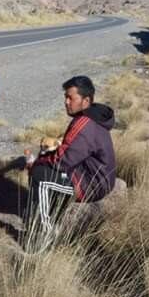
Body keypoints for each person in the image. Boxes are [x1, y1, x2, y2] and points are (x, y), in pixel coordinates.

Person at [26, 76, 116, 251]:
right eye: (65, 98)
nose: (66, 102)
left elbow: (62, 160)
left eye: (71, 98)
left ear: (86, 100)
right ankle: (52, 215)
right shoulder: (92, 116)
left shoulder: (84, 123)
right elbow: (70, 152)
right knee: (45, 169)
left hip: (93, 184)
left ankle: (43, 234)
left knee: (40, 176)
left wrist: (37, 163)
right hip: (92, 175)